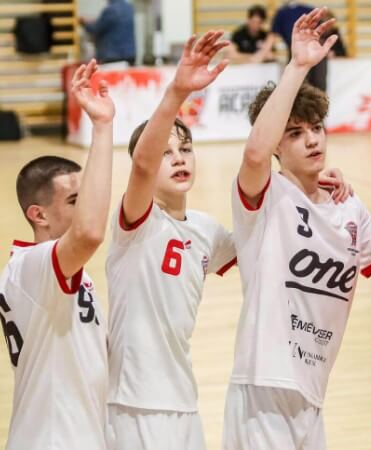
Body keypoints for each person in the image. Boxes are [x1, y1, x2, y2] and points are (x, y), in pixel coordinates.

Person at [222, 9, 367, 449]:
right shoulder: (264, 197)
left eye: (317, 128)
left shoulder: (349, 207)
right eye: (295, 133)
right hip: (263, 387)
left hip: (313, 391)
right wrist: (298, 66)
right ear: (277, 147)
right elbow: (254, 154)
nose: (312, 139)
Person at [104, 31, 237, 450]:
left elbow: (260, 240)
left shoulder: (206, 230)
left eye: (186, 149)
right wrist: (178, 91)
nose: (179, 157)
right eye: (167, 152)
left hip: (183, 400)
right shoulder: (136, 221)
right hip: (133, 402)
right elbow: (142, 166)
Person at [0, 59, 114, 450]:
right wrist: (102, 127)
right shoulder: (30, 267)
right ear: (39, 214)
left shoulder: (68, 271)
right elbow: (90, 233)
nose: (85, 208)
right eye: (74, 200)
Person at [271, 1, 327, 91]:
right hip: (307, 52)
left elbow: (272, 37)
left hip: (305, 52)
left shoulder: (282, 13)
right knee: (307, 88)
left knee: (300, 88)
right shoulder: (284, 12)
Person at [80, 0, 136, 65]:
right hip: (129, 56)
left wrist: (84, 23)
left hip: (113, 57)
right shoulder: (129, 8)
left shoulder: (110, 10)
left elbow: (96, 29)